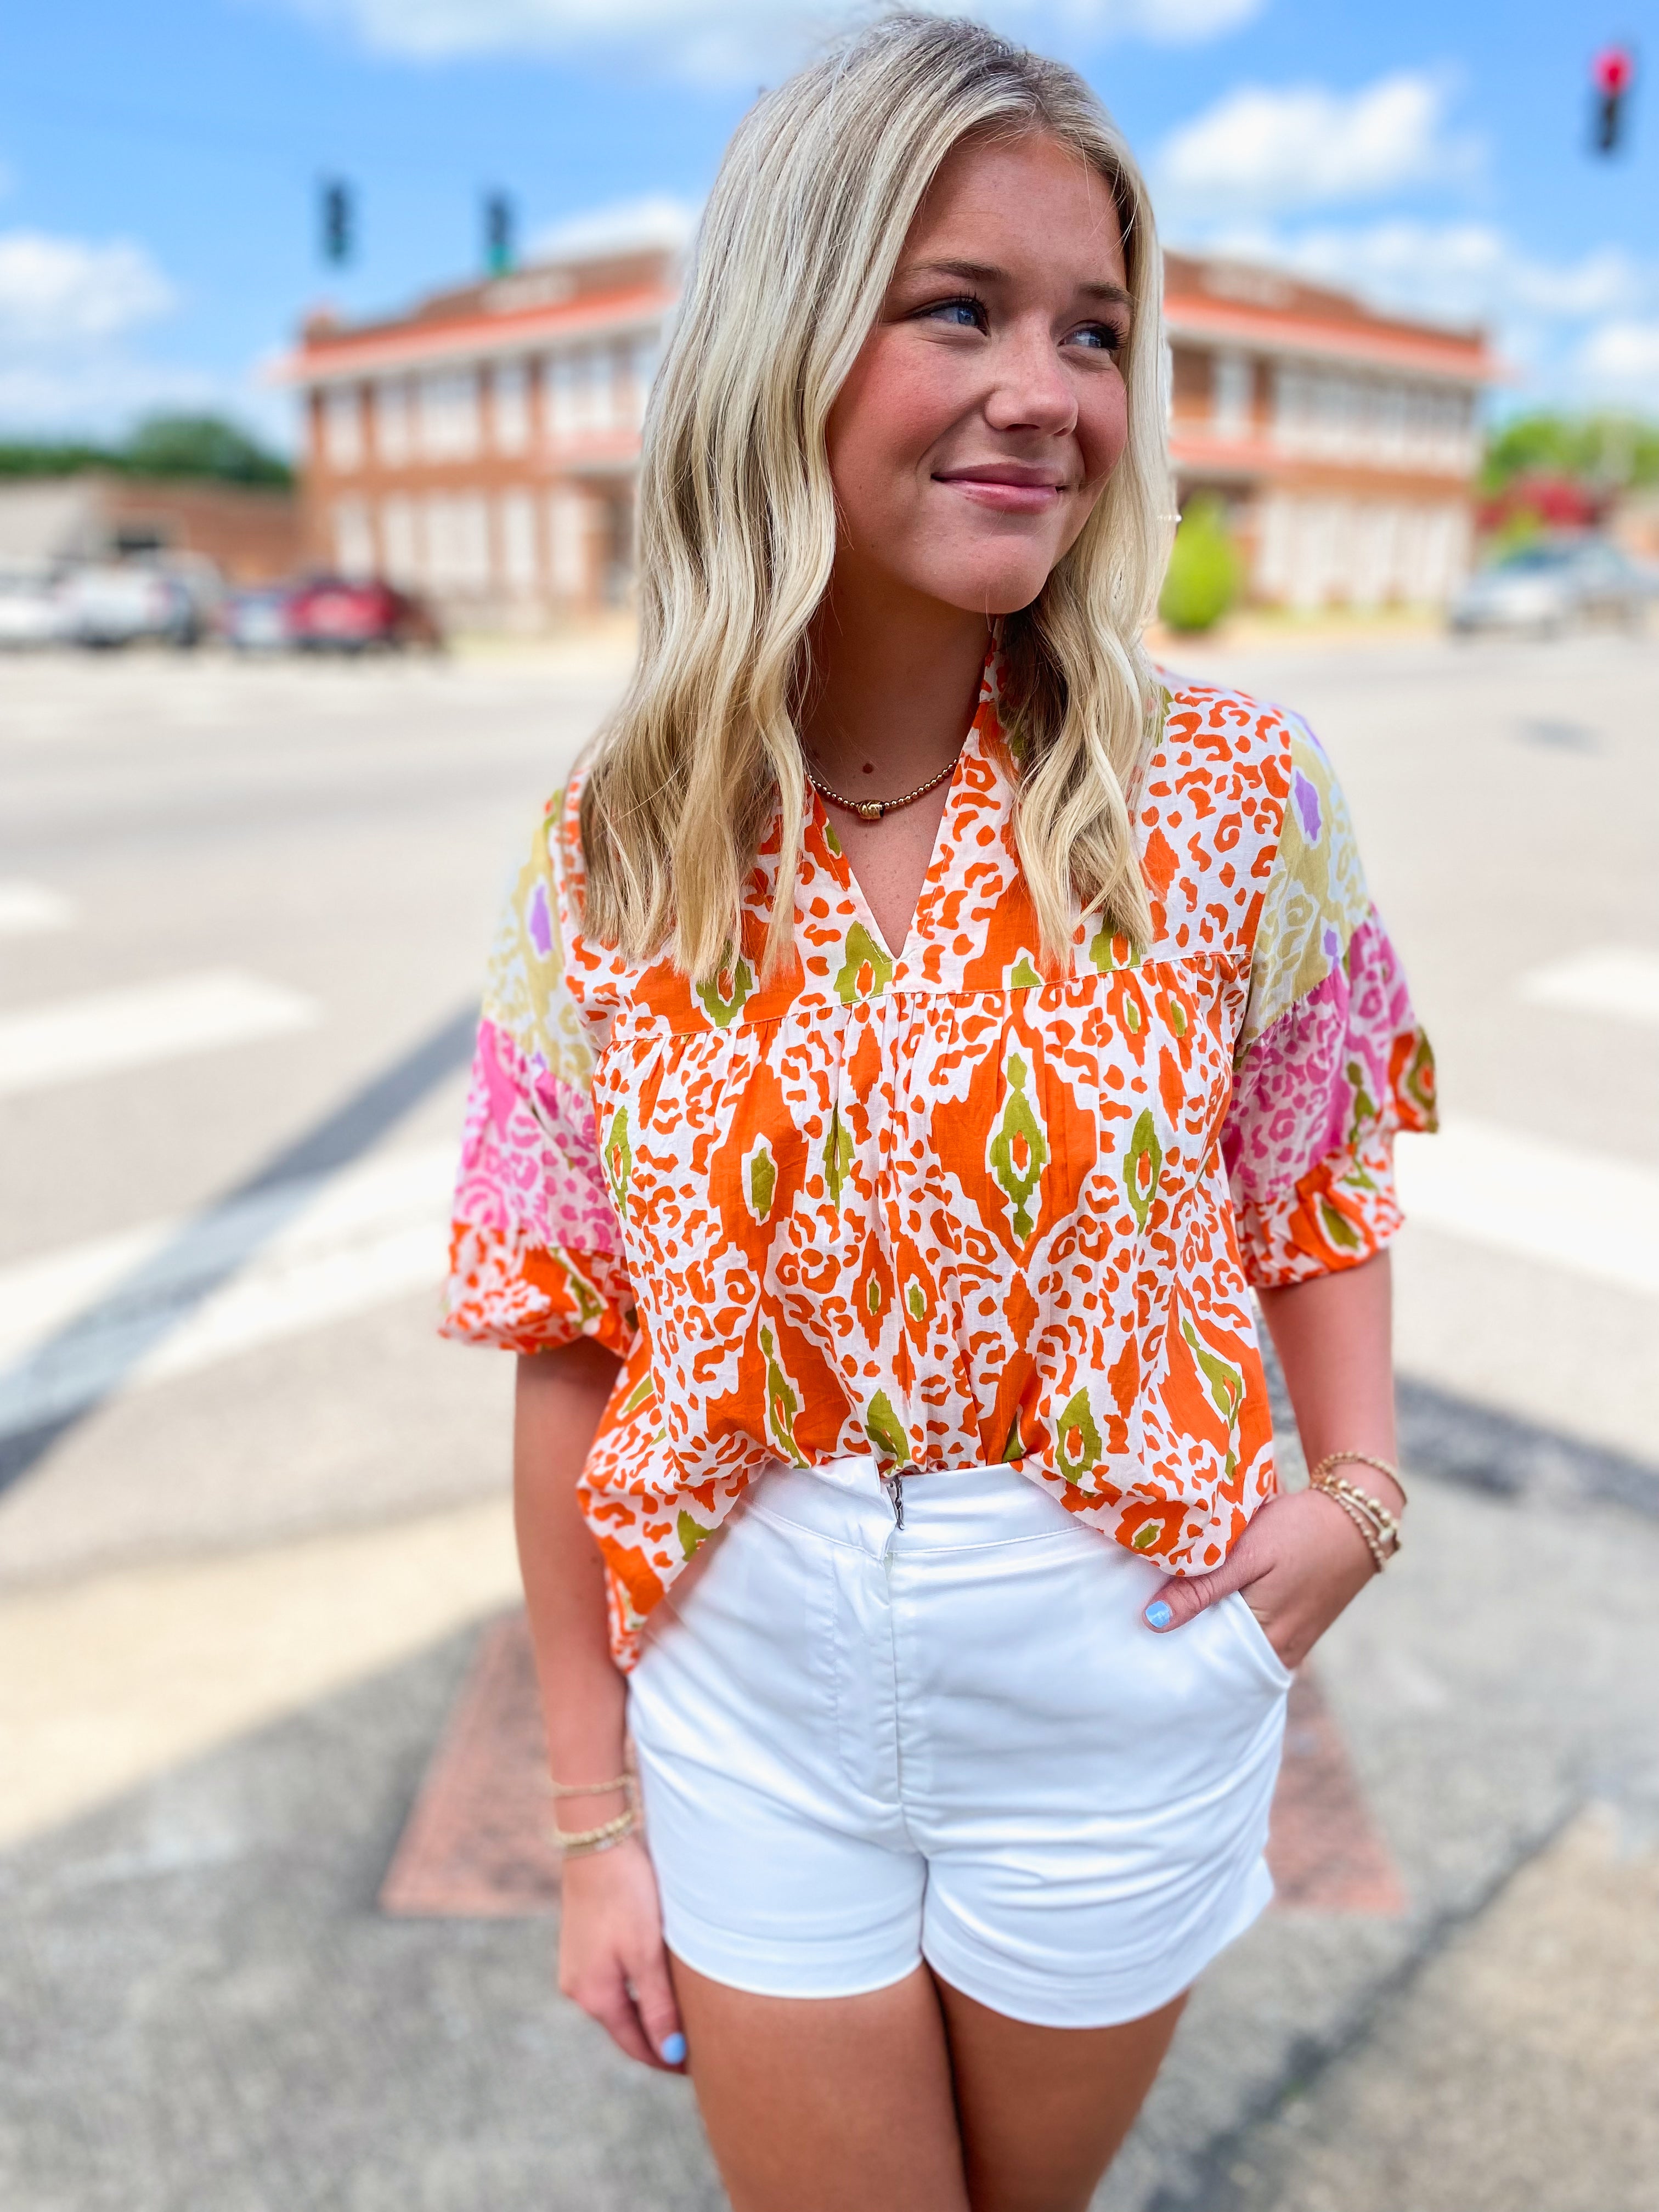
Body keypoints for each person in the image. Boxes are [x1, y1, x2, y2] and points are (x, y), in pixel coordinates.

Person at [441, 16, 1436, 2209]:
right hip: (749, 1665)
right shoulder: (622, 839)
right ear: (788, 339)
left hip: (1116, 1655)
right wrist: (593, 1821)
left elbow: (1323, 1161)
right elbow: (565, 1335)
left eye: (1093, 329)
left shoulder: (1230, 796)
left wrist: (1354, 1493)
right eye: (959, 308)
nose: (1048, 393)